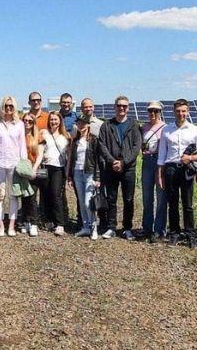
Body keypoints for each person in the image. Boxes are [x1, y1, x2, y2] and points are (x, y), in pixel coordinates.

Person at [158, 99, 197, 247]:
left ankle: (190, 234)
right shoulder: (167, 130)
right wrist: (160, 174)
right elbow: (162, 154)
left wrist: (191, 158)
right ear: (174, 112)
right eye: (178, 111)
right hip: (171, 169)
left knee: (188, 204)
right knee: (172, 203)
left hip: (187, 168)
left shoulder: (194, 129)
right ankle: (174, 233)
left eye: (183, 111)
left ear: (188, 112)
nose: (181, 114)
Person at [97, 96, 142, 240]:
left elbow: (136, 147)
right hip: (111, 168)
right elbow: (102, 145)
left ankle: (127, 228)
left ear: (128, 108)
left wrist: (123, 162)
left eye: (124, 106)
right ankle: (111, 227)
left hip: (128, 168)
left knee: (128, 199)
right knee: (111, 198)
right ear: (114, 107)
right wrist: (112, 161)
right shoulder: (106, 125)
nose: (121, 108)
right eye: (119, 105)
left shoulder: (134, 125)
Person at [0, 96, 29, 237]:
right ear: (2, 107)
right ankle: (0, 226)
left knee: (13, 196)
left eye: (11, 105)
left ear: (14, 107)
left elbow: (22, 145)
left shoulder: (19, 124)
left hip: (14, 164)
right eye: (6, 105)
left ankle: (11, 225)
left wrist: (24, 164)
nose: (8, 108)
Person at [67, 115, 102, 239]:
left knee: (88, 202)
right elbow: (72, 159)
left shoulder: (93, 140)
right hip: (77, 173)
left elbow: (98, 160)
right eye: (79, 123)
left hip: (89, 173)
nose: (81, 126)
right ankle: (86, 227)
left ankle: (94, 227)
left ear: (88, 125)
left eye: (83, 123)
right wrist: (70, 176)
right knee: (81, 202)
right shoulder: (75, 140)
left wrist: (97, 178)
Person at [38, 111, 70, 235]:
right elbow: (40, 150)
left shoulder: (65, 136)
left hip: (58, 168)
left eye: (56, 119)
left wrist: (67, 172)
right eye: (51, 119)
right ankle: (48, 220)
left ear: (60, 121)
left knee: (56, 195)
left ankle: (60, 223)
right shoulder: (44, 133)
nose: (53, 122)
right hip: (44, 167)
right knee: (45, 194)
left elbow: (68, 155)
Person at [140, 101, 166, 241]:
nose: (153, 113)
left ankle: (160, 229)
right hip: (147, 162)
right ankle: (147, 228)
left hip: (161, 162)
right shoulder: (144, 127)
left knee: (161, 197)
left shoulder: (165, 128)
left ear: (160, 112)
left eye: (156, 111)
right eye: (150, 111)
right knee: (147, 196)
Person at [22, 111, 43, 236]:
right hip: (21, 169)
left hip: (33, 170)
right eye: (25, 120)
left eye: (30, 121)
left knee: (32, 197)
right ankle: (25, 221)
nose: (27, 123)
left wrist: (34, 169)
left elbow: (40, 155)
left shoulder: (38, 136)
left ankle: (34, 223)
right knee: (23, 197)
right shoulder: (19, 135)